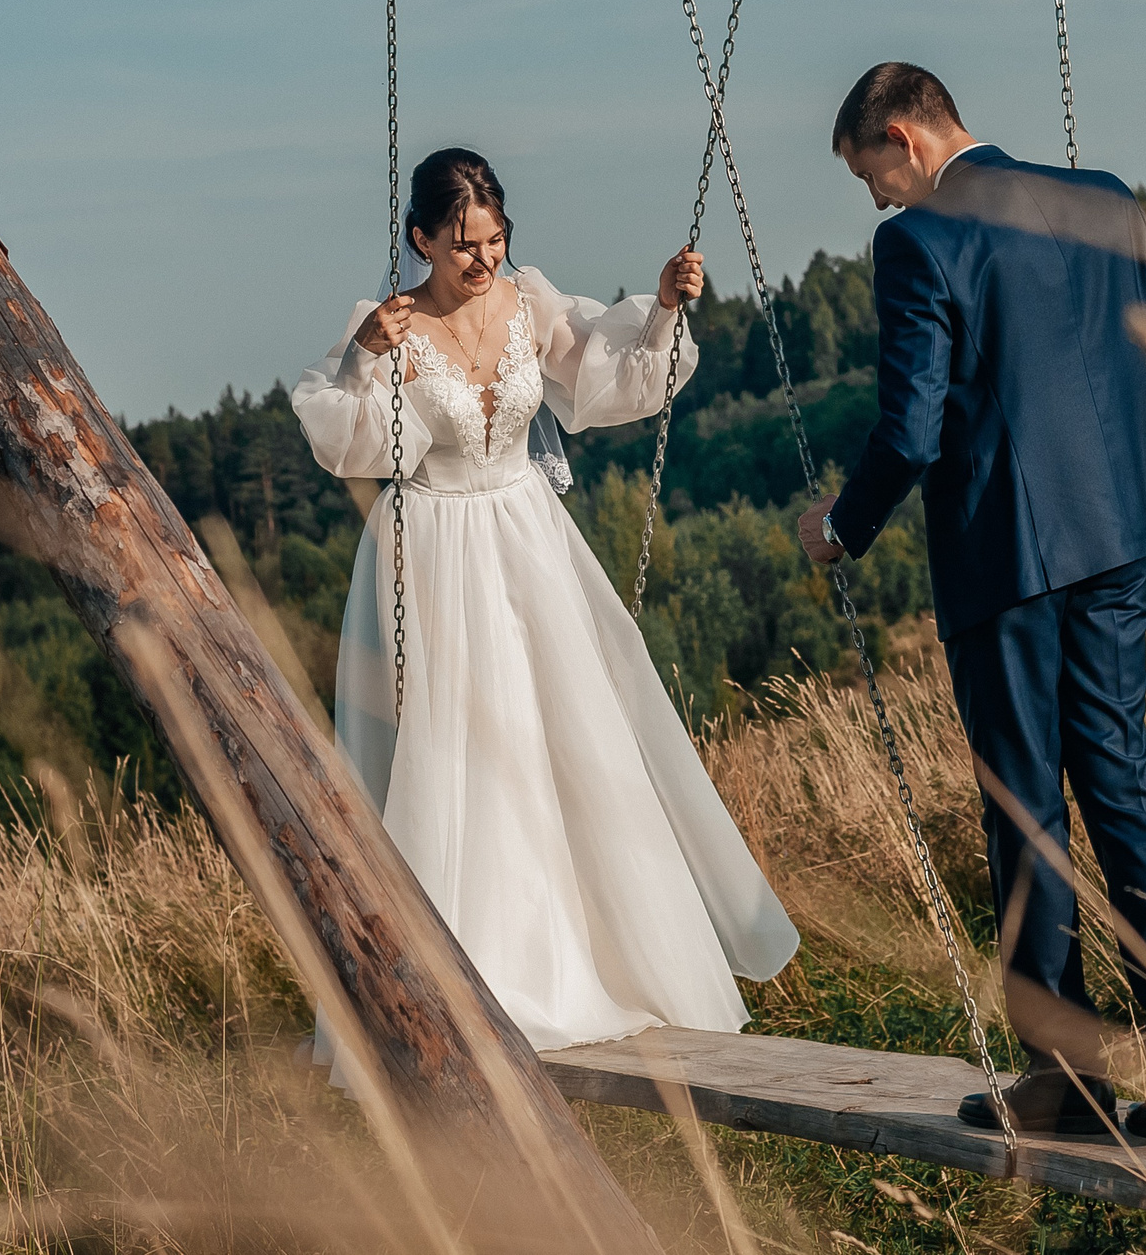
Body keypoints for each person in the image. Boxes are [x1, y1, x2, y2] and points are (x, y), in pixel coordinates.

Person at [795, 63, 1146, 1139]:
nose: (879, 204)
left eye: (873, 179)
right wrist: (1129, 461)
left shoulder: (918, 243)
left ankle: (1062, 1079)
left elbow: (910, 429)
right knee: (1122, 784)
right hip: (1119, 542)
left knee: (1027, 812)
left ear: (902, 137)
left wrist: (842, 527)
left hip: (1007, 561)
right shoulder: (1099, 200)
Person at [293, 147, 798, 1055]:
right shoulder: (389, 323)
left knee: (571, 732)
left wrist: (666, 309)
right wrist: (369, 361)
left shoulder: (528, 297)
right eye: (460, 245)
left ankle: (611, 963)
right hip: (434, 546)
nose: (480, 260)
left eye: (491, 239)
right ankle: (473, 983)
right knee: (460, 752)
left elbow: (604, 377)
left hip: (527, 534)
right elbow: (347, 439)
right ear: (419, 240)